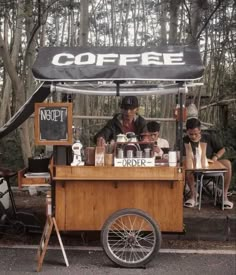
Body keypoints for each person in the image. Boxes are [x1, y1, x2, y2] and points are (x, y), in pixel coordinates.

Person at [183, 118, 233, 209]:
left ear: (200, 131)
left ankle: (224, 196)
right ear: (187, 131)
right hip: (193, 169)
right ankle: (193, 196)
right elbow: (179, 156)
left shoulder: (208, 137)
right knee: (186, 164)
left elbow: (223, 149)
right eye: (191, 134)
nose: (193, 136)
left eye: (196, 134)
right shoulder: (184, 140)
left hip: (210, 165)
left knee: (227, 164)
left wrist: (216, 157)